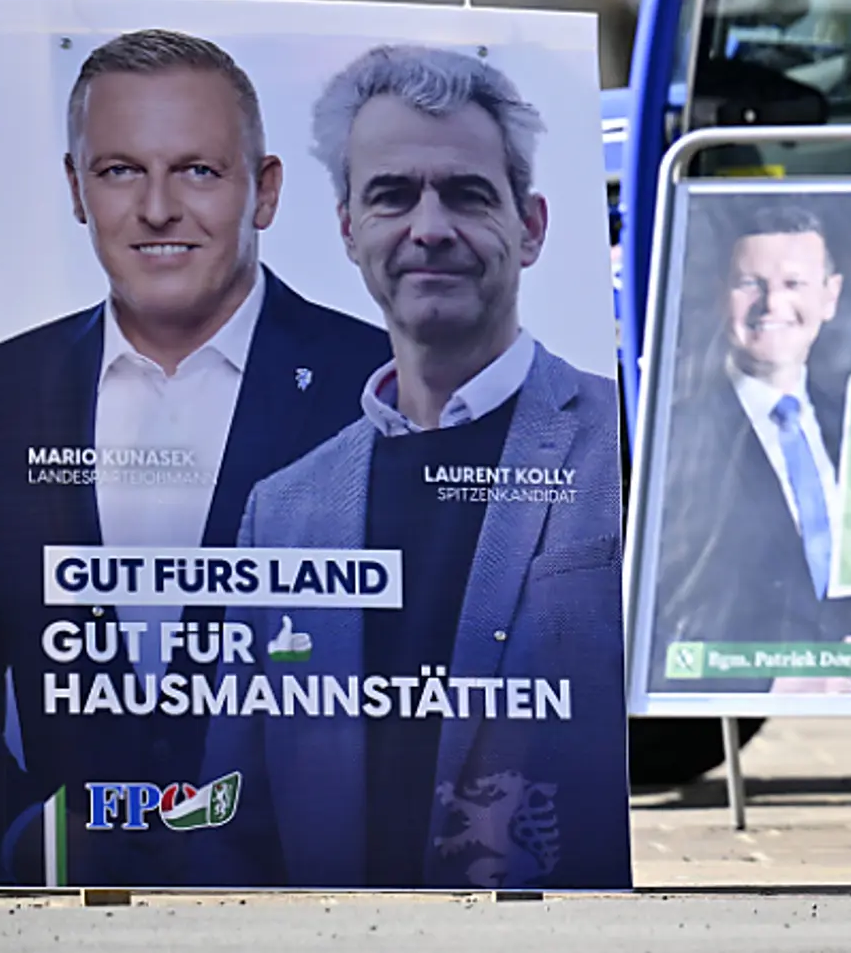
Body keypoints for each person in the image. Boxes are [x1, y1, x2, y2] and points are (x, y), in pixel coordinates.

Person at [194, 44, 626, 891]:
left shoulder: (620, 444)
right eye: (393, 196)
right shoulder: (282, 510)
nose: (430, 227)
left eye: (466, 193)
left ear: (530, 226)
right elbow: (231, 811)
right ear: (350, 228)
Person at [0, 28, 387, 888]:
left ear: (264, 191)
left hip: (321, 902)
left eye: (198, 170)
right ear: (77, 187)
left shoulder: (380, 388)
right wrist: (24, 838)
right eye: (122, 169)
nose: (158, 208)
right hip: (65, 908)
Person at [649, 202, 851, 694]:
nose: (772, 303)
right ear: (721, 297)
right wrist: (767, 683)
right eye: (750, 283)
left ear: (830, 297)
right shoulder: (677, 429)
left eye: (794, 284)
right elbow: (661, 606)